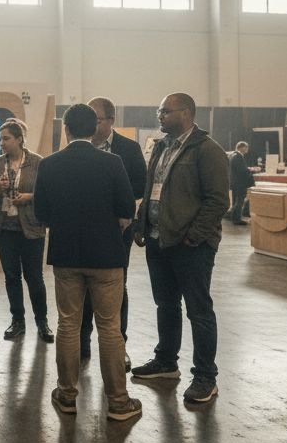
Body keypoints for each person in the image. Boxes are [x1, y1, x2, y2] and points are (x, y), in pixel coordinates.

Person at [34, 104, 140, 422]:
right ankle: (118, 402)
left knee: (68, 324)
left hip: (66, 255)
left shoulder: (49, 164)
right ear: (94, 128)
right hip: (107, 256)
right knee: (109, 327)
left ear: (66, 129)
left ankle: (67, 395)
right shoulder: (112, 162)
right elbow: (127, 208)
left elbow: (41, 214)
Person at [131, 93, 228, 405]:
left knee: (198, 310)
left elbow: (218, 201)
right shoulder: (162, 146)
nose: (159, 116)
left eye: (165, 111)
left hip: (190, 246)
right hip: (158, 239)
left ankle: (205, 376)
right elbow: (152, 189)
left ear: (186, 113)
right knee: (166, 304)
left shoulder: (207, 150)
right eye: (159, 111)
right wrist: (141, 223)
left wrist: (194, 236)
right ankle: (166, 362)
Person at [79, 96, 147, 365]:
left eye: (97, 120)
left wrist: (117, 201)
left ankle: (119, 345)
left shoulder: (129, 148)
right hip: (84, 229)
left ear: (111, 120)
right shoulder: (80, 147)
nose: (93, 125)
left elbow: (141, 184)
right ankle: (82, 342)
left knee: (118, 286)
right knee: (82, 286)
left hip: (118, 229)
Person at [0, 120, 49, 342]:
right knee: (11, 276)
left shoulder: (38, 162)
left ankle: (42, 321)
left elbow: (48, 192)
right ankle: (17, 321)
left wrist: (29, 197)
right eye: (0, 139)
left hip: (32, 228)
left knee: (34, 277)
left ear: (19, 139)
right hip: (4, 229)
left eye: (6, 138)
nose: (2, 143)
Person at [227, 141, 256, 225]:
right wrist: (252, 170)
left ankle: (233, 217)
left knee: (235, 201)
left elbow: (238, 168)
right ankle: (236, 219)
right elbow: (242, 171)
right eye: (246, 147)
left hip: (234, 182)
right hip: (240, 183)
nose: (247, 149)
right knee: (239, 201)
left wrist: (248, 169)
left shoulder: (232, 155)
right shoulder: (238, 156)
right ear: (242, 147)